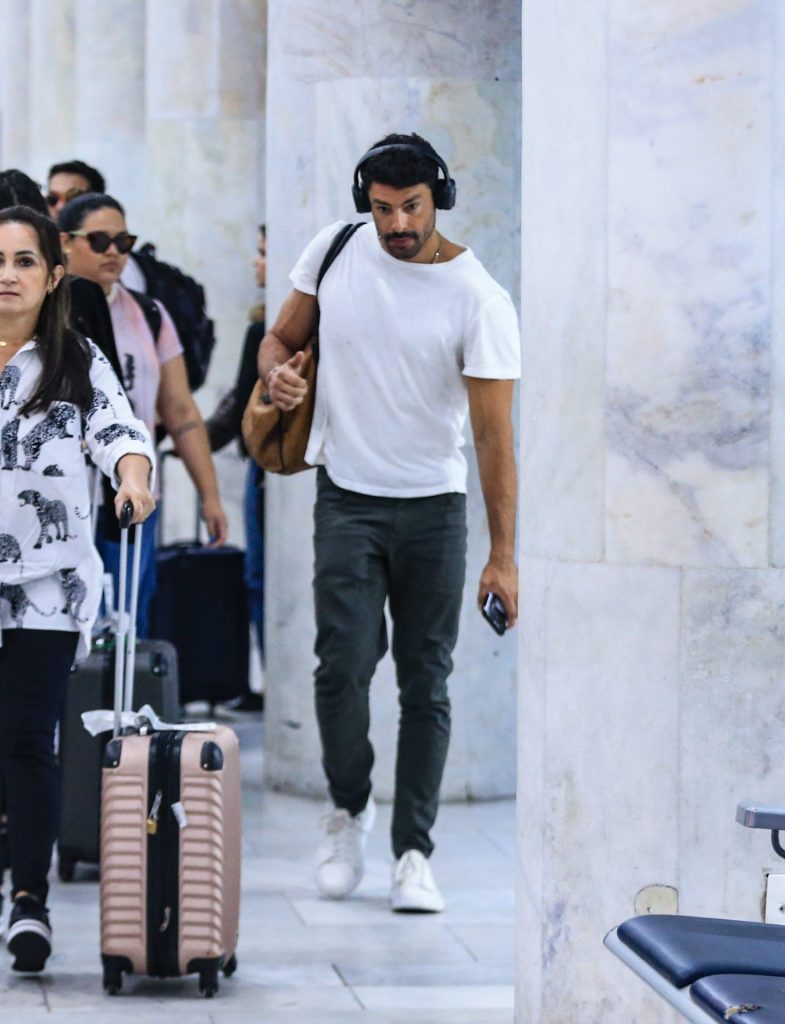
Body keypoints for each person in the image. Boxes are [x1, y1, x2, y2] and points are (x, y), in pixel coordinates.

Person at [258, 133, 520, 913]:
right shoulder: (335, 250)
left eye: (410, 207)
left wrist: (502, 554)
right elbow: (283, 335)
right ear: (362, 203)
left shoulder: (479, 297)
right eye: (381, 208)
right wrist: (274, 368)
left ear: (438, 196)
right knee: (340, 666)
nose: (396, 224)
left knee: (424, 681)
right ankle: (347, 809)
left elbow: (493, 439)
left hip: (434, 510)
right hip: (347, 495)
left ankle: (414, 850)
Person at [0, 204, 155, 972]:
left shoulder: (76, 360)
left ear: (54, 274)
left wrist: (132, 480)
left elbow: (121, 431)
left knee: (29, 740)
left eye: (25, 260)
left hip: (48, 584)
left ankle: (28, 901)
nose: (8, 274)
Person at [58, 192, 228, 636]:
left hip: (133, 492)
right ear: (64, 243)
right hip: (64, 495)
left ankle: (120, 707)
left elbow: (180, 410)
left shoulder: (148, 313)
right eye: (99, 241)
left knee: (131, 617)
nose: (113, 252)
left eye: (123, 241)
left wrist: (209, 495)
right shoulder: (43, 313)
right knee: (66, 618)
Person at [206, 225, 266, 715]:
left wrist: (196, 443)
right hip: (260, 467)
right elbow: (240, 399)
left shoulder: (271, 327)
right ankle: (266, 677)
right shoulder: (262, 327)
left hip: (273, 468)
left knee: (261, 576)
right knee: (256, 576)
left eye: (265, 253)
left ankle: (271, 679)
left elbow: (240, 400)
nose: (256, 264)